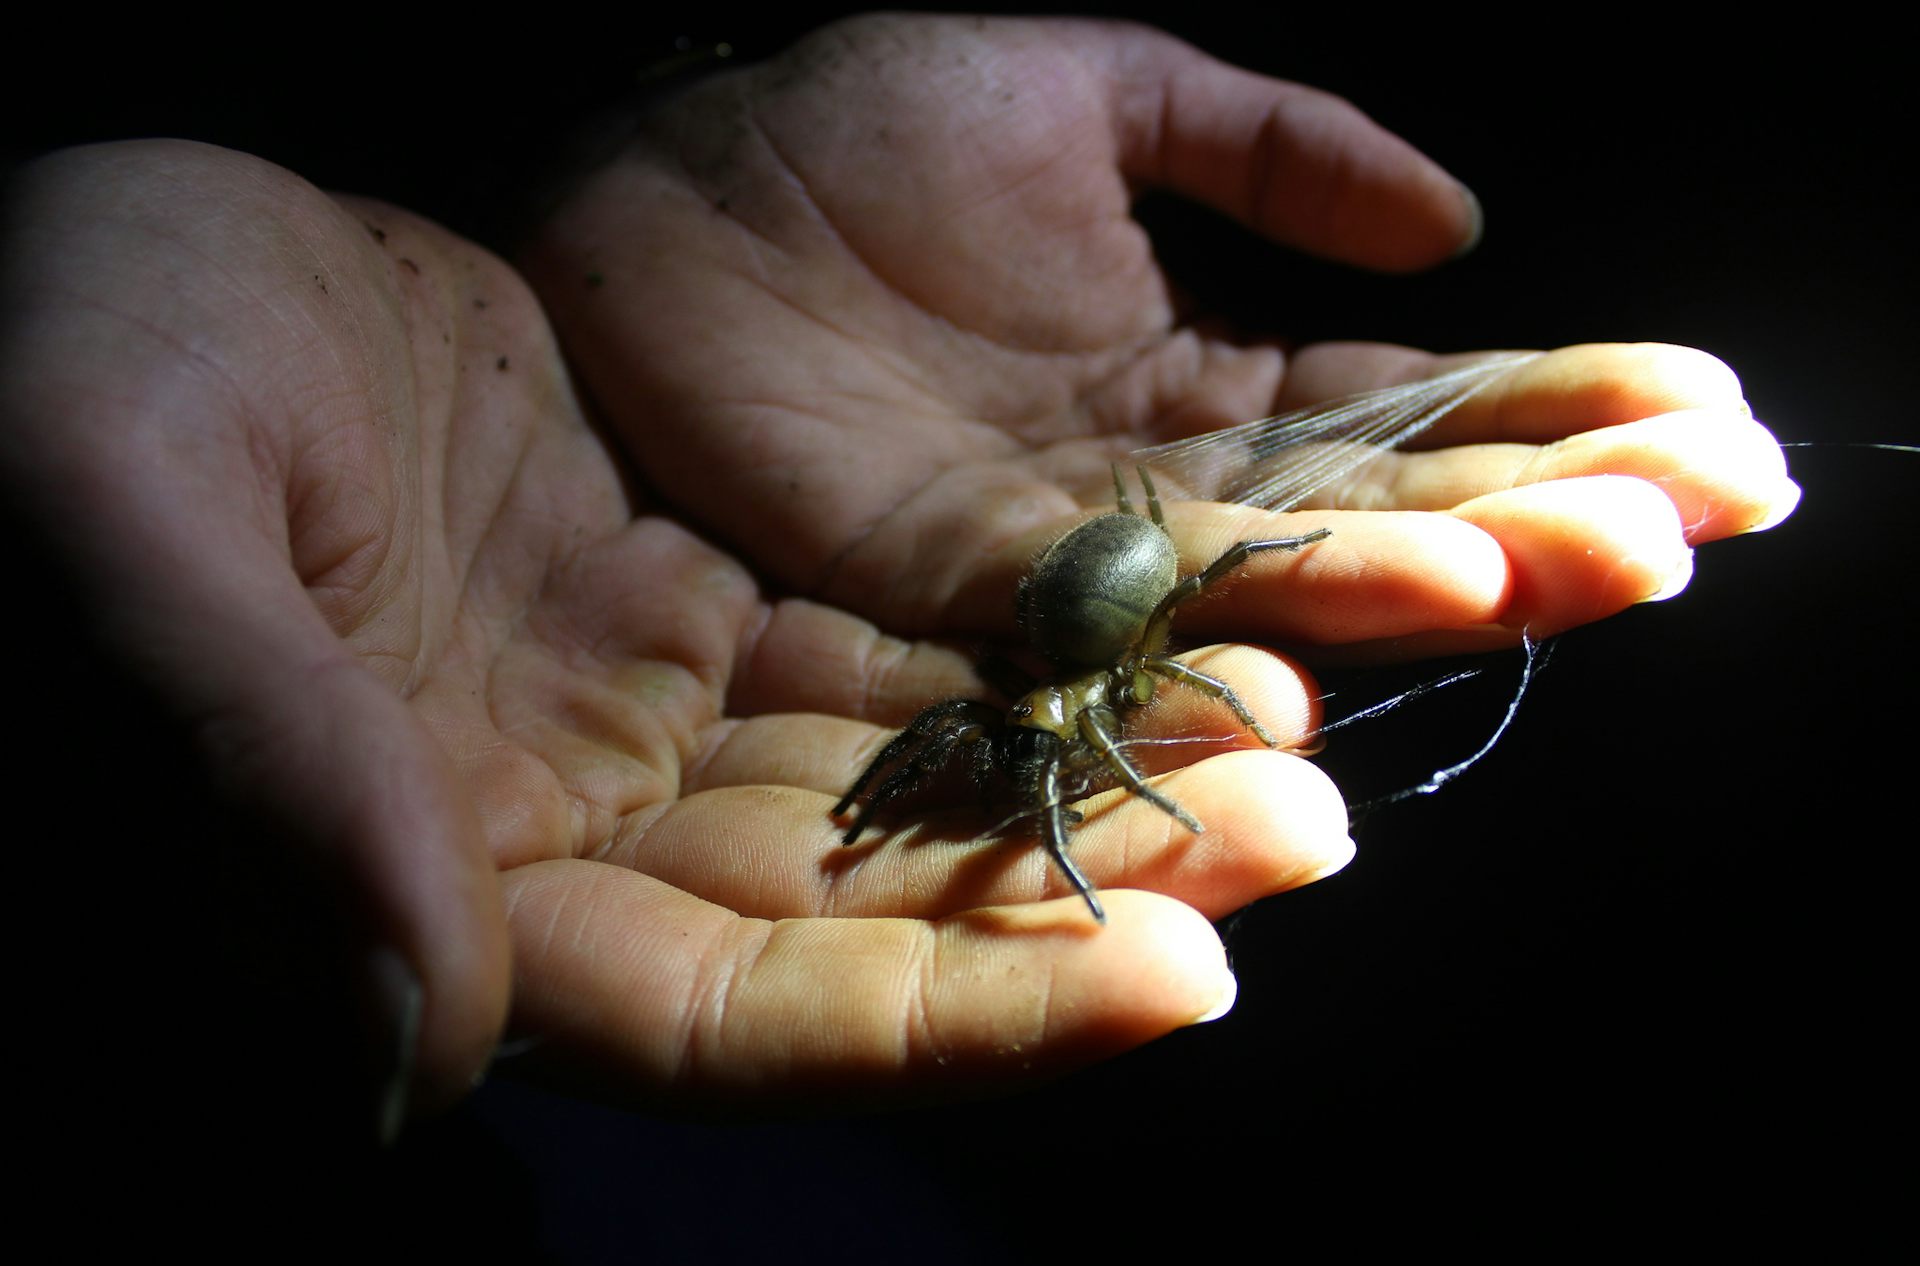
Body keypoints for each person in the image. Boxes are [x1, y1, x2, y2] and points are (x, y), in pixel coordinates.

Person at [0, 13, 1797, 1146]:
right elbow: (1051, 716)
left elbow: (1113, 691)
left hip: (1082, 600)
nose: (1051, 768)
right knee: (1039, 735)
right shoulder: (1020, 684)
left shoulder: (1080, 666)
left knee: (1098, 718)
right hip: (1060, 605)